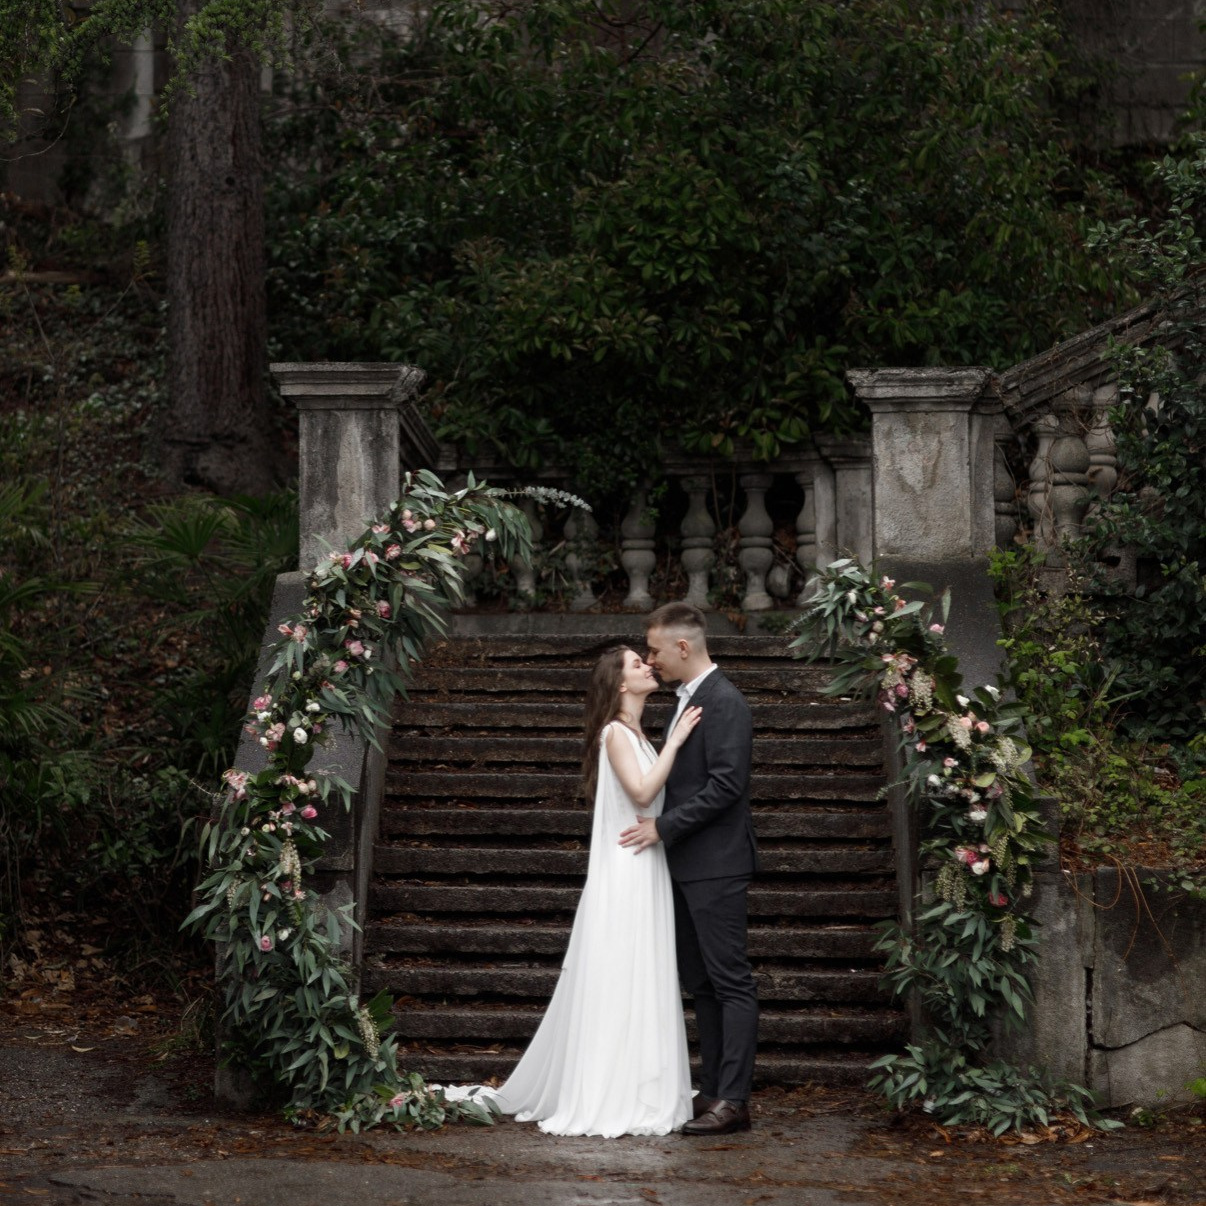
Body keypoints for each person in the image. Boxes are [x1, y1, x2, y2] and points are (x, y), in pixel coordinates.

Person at [448, 646, 702, 1137]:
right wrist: (677, 740)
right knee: (621, 971)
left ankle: (637, 1082)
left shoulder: (635, 734)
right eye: (636, 664)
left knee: (641, 971)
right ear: (621, 684)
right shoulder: (615, 733)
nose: (648, 665)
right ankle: (610, 1087)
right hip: (626, 870)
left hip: (645, 863)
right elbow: (643, 793)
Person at [619, 602, 759, 1136]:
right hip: (685, 864)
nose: (650, 660)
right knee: (700, 983)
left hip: (716, 863)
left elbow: (727, 785)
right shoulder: (688, 700)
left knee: (730, 981)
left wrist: (664, 827)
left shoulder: (725, 701)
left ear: (683, 646)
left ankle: (736, 1100)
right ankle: (714, 1090)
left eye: (654, 649)